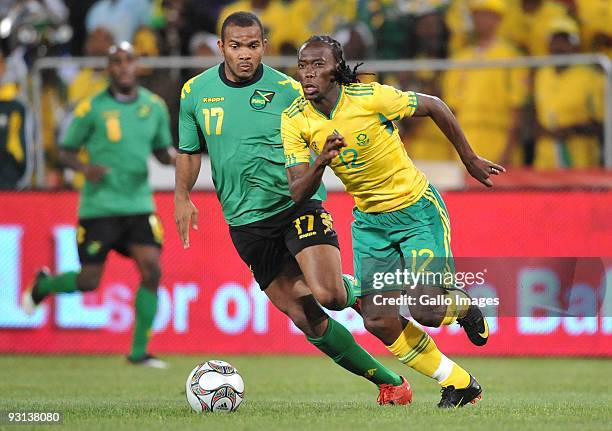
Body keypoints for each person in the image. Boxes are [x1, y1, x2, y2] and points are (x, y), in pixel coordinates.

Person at [174, 12, 411, 405]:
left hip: (296, 205)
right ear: (221, 48)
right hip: (245, 222)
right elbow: (188, 151)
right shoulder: (194, 92)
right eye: (236, 46)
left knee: (330, 295)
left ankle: (362, 292)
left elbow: (337, 118)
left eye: (252, 45)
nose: (245, 54)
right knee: (308, 319)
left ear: (264, 45)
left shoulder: (289, 89)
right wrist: (182, 195)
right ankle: (391, 384)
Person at [282, 35, 505, 407]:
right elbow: (297, 192)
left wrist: (468, 158)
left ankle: (464, 307)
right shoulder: (294, 120)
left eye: (317, 65)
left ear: (336, 69)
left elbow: (434, 106)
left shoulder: (371, 98)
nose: (308, 74)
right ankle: (460, 383)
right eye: (303, 65)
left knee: (426, 309)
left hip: (416, 212)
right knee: (377, 320)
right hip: (370, 224)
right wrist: (321, 160)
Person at [22, 42, 175, 369]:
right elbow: (64, 150)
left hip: (138, 203)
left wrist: (177, 158)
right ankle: (45, 284)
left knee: (152, 269)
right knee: (90, 280)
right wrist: (83, 169)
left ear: (138, 66)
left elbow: (162, 152)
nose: (123, 67)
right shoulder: (89, 108)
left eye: (129, 61)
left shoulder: (155, 107)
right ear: (109, 68)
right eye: (116, 61)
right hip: (100, 205)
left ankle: (138, 353)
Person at [443, 0, 528, 165]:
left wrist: (508, 151)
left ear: (498, 19)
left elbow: (517, 108)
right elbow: (450, 109)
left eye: (486, 15)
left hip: (499, 136)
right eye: (477, 15)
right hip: (465, 138)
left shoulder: (512, 57)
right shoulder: (460, 58)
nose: (480, 20)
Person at [533, 17, 604, 169]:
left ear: (576, 45)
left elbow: (602, 123)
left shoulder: (592, 77)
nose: (559, 46)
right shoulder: (542, 74)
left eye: (565, 41)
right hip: (545, 159)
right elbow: (534, 113)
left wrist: (572, 130)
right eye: (555, 40)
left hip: (580, 159)